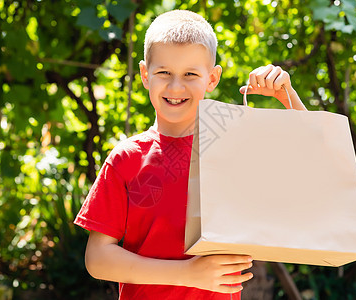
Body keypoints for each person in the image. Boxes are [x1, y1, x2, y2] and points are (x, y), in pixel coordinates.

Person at [74, 9, 307, 300]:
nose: (175, 86)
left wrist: (289, 98)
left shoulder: (234, 149)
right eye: (164, 73)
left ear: (212, 78)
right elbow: (97, 259)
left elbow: (310, 171)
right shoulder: (127, 158)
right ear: (145, 75)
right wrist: (188, 274)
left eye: (190, 74)